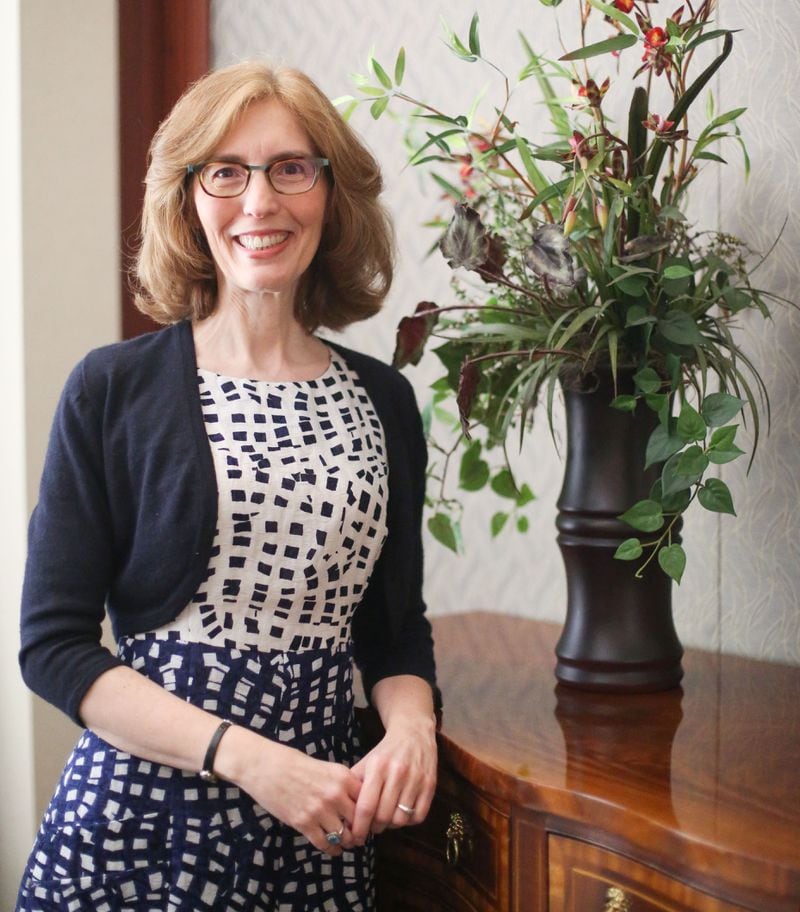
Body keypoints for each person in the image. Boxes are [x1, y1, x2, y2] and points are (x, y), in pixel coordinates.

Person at [16, 60, 438, 911]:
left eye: (291, 167)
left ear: (330, 191)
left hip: (321, 828)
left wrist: (413, 727)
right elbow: (52, 647)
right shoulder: (111, 389)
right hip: (139, 826)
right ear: (188, 197)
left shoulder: (384, 401)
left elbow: (394, 631)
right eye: (226, 171)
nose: (259, 202)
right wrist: (253, 760)